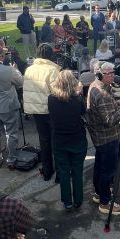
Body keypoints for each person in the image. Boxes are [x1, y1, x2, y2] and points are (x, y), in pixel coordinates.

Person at [87, 62, 120, 215]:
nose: (113, 75)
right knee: (107, 171)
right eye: (108, 74)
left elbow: (105, 108)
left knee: (100, 166)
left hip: (99, 137)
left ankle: (99, 193)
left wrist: (119, 103)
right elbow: (110, 120)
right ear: (100, 75)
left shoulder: (95, 86)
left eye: (113, 72)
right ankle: (105, 202)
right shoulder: (102, 93)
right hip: (107, 138)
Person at [48, 70, 87, 210]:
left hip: (59, 141)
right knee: (77, 171)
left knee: (64, 172)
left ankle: (67, 201)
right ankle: (78, 200)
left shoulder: (51, 99)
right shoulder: (77, 100)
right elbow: (83, 112)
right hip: (77, 139)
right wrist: (79, 93)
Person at [23, 44, 61, 182]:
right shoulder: (52, 70)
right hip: (50, 110)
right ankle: (60, 174)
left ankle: (47, 171)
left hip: (36, 110)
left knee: (44, 141)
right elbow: (57, 92)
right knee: (56, 141)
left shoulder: (29, 69)